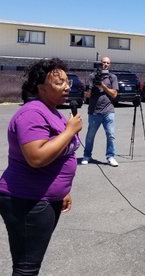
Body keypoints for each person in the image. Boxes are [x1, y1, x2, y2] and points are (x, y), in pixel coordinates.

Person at [0, 58, 83, 275]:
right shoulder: (32, 113)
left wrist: (64, 190)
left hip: (45, 197)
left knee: (30, 264)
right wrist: (69, 131)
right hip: (28, 200)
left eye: (68, 82)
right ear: (41, 88)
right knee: (26, 267)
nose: (67, 86)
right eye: (59, 83)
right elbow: (36, 158)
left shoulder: (51, 110)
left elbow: (58, 154)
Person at [81, 56, 119, 167]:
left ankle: (110, 156)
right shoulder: (92, 76)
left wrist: (103, 86)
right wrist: (88, 91)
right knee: (90, 136)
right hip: (94, 111)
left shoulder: (112, 77)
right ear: (100, 63)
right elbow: (88, 95)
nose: (105, 64)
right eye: (103, 62)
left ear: (110, 65)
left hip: (108, 111)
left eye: (107, 63)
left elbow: (114, 94)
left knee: (111, 135)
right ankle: (87, 155)